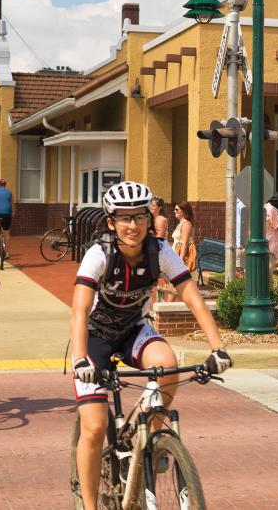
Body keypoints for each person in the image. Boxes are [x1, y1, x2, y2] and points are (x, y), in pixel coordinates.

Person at [70, 182, 230, 510]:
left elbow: (192, 297)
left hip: (134, 330)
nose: (133, 226)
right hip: (95, 337)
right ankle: (88, 506)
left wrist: (218, 348)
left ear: (149, 218)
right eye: (124, 219)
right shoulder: (99, 254)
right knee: (96, 425)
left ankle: (150, 439)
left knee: (167, 364)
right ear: (111, 222)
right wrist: (80, 359)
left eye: (139, 218)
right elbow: (79, 309)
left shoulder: (160, 251)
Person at [171, 201, 197, 272]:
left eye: (177, 209)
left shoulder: (186, 224)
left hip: (180, 257)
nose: (174, 211)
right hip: (175, 255)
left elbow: (185, 244)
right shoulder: (179, 224)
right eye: (174, 209)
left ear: (184, 211)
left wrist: (180, 262)